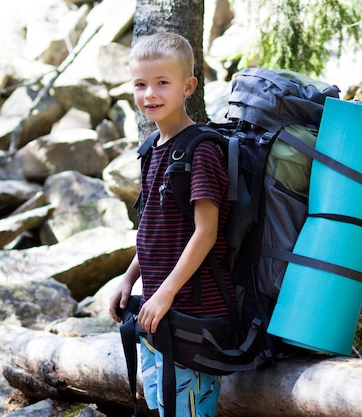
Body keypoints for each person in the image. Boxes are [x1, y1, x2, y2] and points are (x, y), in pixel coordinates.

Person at [108, 31, 234, 417]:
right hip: (157, 311)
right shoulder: (151, 151)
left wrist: (164, 293)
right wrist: (130, 280)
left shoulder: (202, 150)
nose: (150, 94)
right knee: (161, 405)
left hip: (192, 315)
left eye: (163, 83)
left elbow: (206, 232)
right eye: (141, 84)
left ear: (188, 86)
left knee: (189, 409)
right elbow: (153, 231)